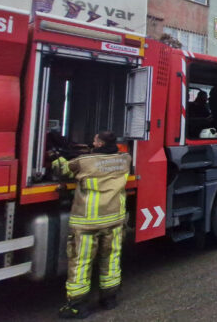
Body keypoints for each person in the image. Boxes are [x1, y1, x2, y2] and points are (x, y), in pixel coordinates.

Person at [58, 131, 131, 319]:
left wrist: (55, 157)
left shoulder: (85, 161)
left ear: (99, 143)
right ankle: (109, 299)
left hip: (88, 222)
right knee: (111, 258)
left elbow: (63, 169)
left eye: (95, 140)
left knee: (81, 262)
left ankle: (77, 305)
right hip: (114, 218)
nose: (92, 141)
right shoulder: (125, 159)